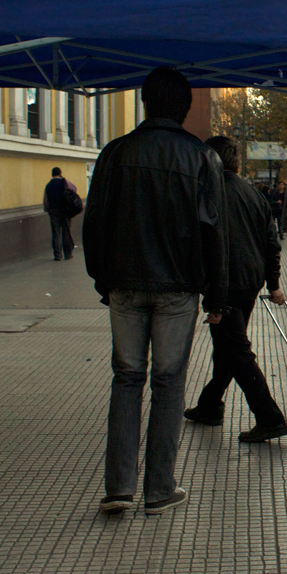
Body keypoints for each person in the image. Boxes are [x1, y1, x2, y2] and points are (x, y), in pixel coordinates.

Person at [83, 66, 227, 516]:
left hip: (124, 283)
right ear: (184, 107)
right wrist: (216, 295)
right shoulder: (201, 157)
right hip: (178, 288)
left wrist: (102, 279)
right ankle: (159, 489)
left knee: (126, 379)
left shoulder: (115, 153)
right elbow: (213, 232)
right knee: (169, 383)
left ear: (145, 102)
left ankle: (119, 487)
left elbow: (94, 222)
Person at [184, 137, 287, 444]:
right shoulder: (253, 193)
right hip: (250, 281)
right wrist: (273, 283)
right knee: (227, 346)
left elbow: (201, 241)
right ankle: (210, 404)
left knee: (237, 350)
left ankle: (270, 418)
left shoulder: (208, 193)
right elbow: (271, 243)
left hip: (224, 283)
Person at [42, 166, 76, 261]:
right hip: (65, 210)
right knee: (66, 231)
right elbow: (74, 189)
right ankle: (68, 254)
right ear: (60, 173)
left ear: (52, 174)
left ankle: (57, 255)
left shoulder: (48, 185)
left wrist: (47, 209)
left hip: (53, 211)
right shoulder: (65, 182)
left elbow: (46, 200)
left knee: (56, 233)